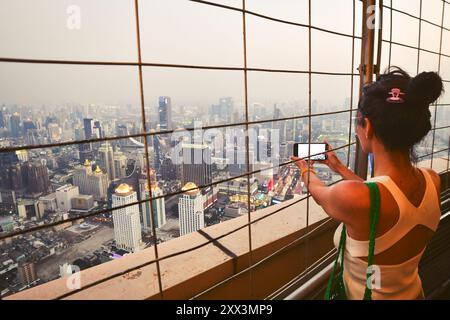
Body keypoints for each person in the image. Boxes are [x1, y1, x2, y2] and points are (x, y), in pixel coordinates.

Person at [291, 67, 444, 299]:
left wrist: (304, 167)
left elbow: (319, 191)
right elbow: (382, 197)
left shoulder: (355, 198)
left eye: (358, 122)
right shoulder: (432, 180)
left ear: (368, 126)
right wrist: (339, 168)